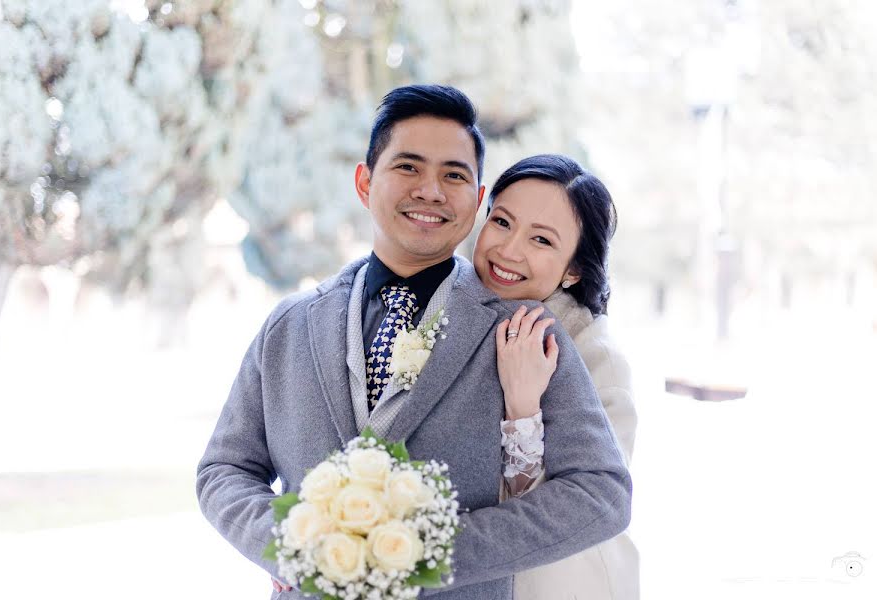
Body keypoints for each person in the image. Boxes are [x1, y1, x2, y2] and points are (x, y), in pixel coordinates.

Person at [197, 85, 631, 600]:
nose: (430, 190)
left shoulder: (528, 335)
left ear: (475, 199)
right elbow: (223, 470)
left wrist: (418, 552)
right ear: (364, 182)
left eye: (453, 175)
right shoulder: (288, 325)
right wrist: (288, 543)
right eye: (408, 167)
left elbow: (601, 493)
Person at [473, 154, 639, 600]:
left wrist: (522, 405)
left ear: (574, 269)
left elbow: (588, 505)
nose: (509, 250)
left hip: (561, 582)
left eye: (541, 240)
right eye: (502, 222)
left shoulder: (597, 358)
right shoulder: (456, 313)